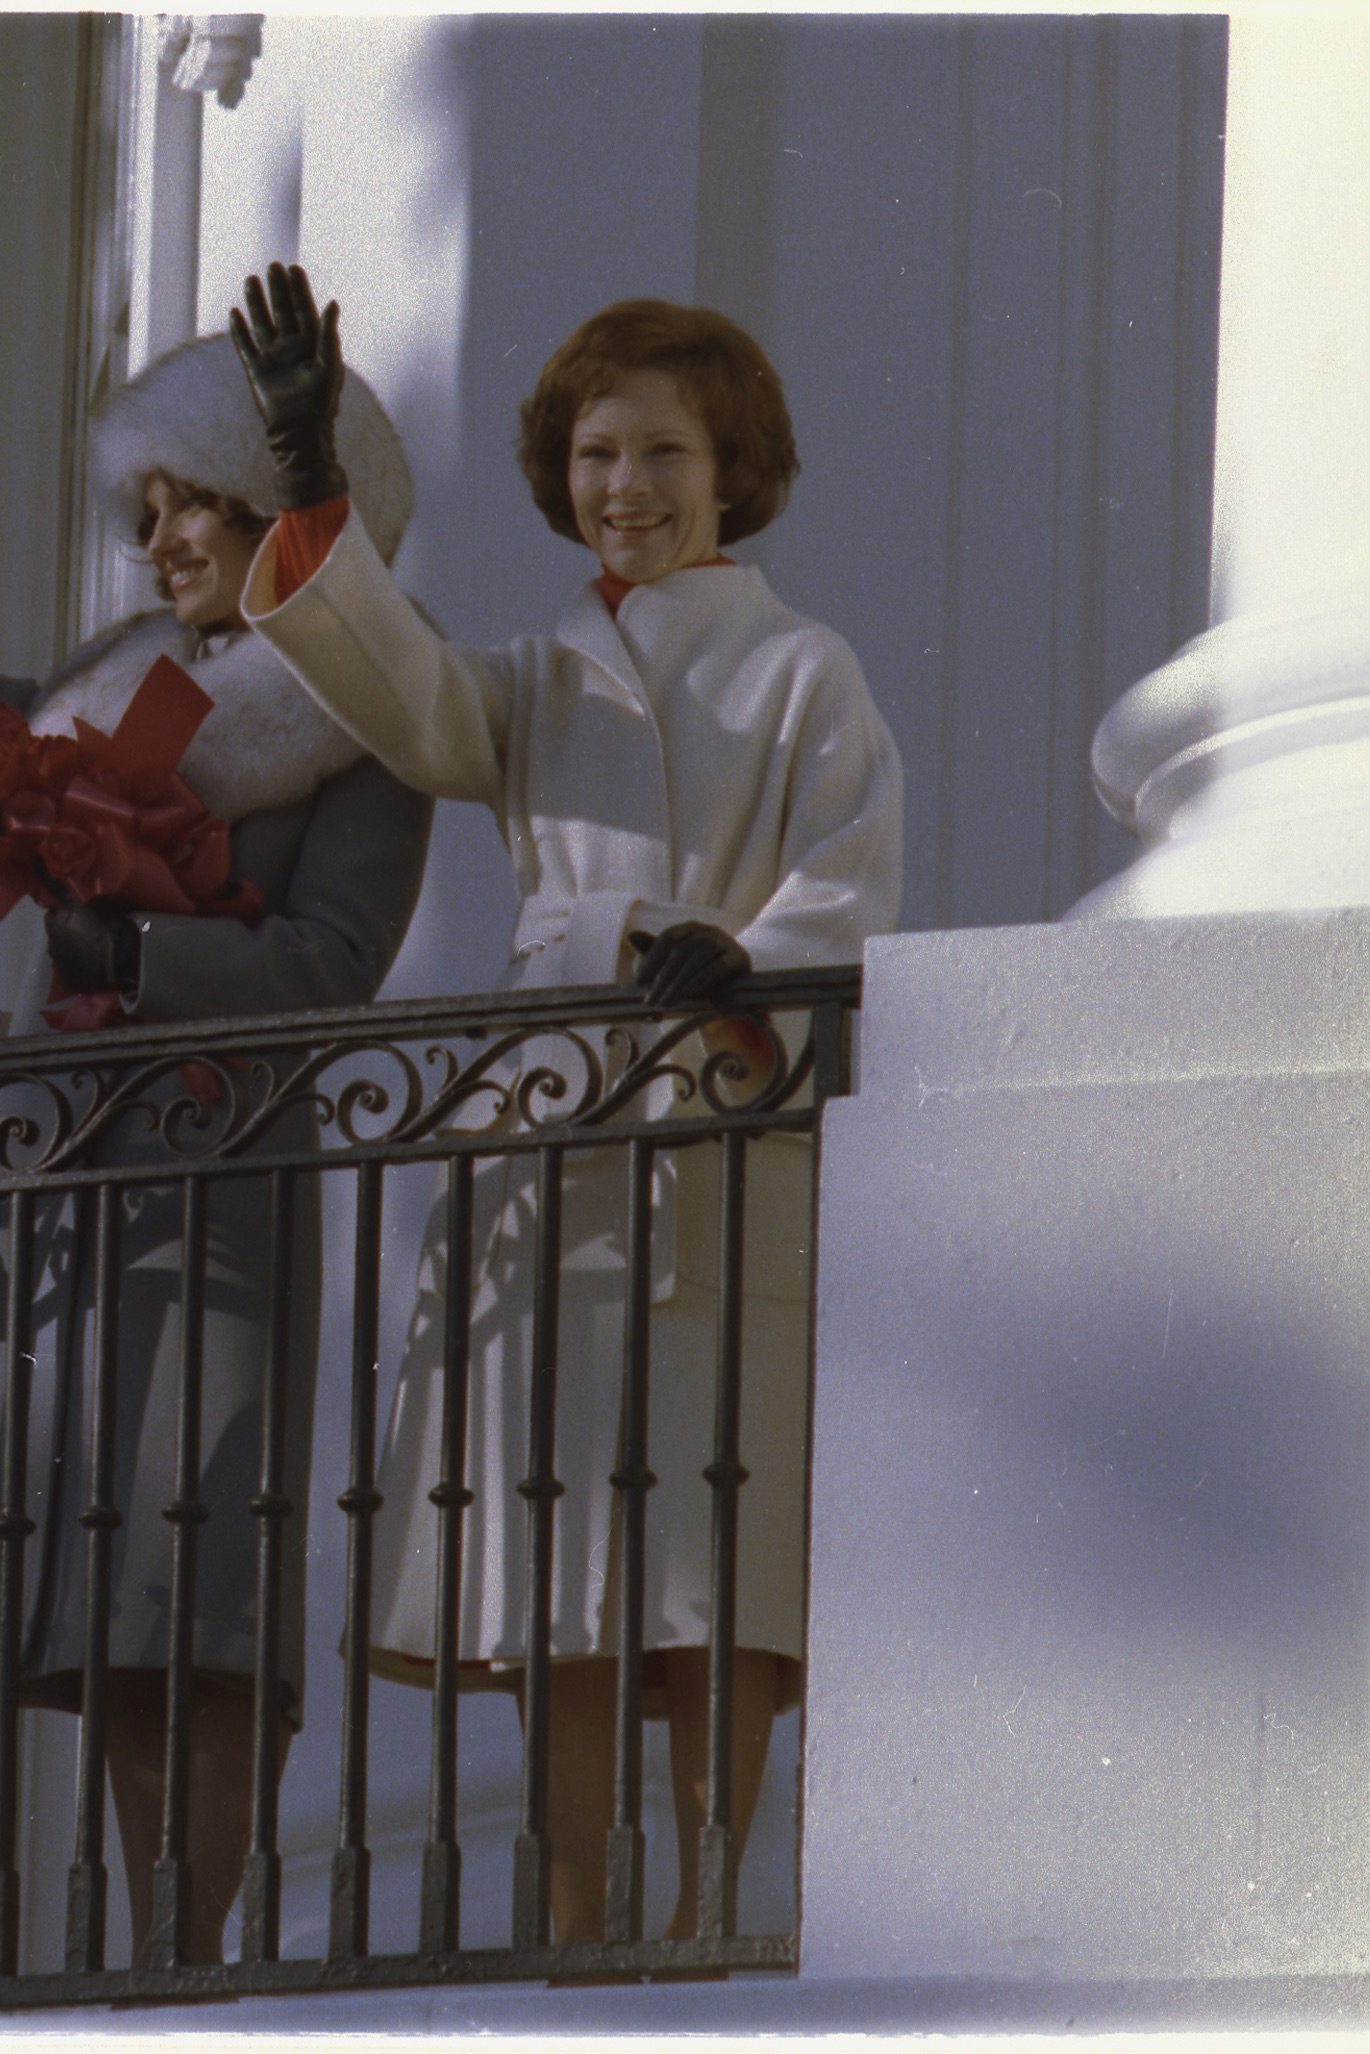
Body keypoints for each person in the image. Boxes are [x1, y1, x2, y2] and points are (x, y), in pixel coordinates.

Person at [0, 280, 437, 1966]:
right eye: (142, 514)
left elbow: (331, 968)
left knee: (193, 1599)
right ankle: (142, 1963)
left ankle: (187, 1959)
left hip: (218, 1188)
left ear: (265, 500)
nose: (153, 544)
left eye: (181, 504)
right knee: (96, 1601)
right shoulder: (122, 683)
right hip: (62, 1185)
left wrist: (137, 946)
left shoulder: (372, 720)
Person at [228, 268, 904, 1946]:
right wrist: (313, 476)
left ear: (733, 468)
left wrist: (741, 958)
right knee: (559, 1568)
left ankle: (704, 1903)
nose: (629, 487)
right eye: (600, 452)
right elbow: (408, 704)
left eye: (666, 450)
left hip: (727, 1140)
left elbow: (857, 885)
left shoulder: (806, 671)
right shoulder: (533, 674)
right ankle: (579, 1906)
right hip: (547, 1147)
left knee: (710, 1550)